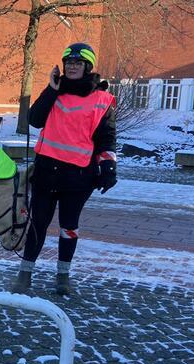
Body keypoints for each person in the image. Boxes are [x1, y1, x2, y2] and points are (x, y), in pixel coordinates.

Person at [10, 43, 117, 296]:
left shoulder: (102, 99)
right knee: (38, 224)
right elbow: (34, 120)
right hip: (47, 172)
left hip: (78, 177)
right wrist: (50, 89)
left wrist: (109, 166)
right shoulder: (54, 92)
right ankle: (24, 275)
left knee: (69, 226)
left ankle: (63, 278)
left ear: (87, 67)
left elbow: (107, 137)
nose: (72, 67)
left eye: (78, 63)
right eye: (69, 62)